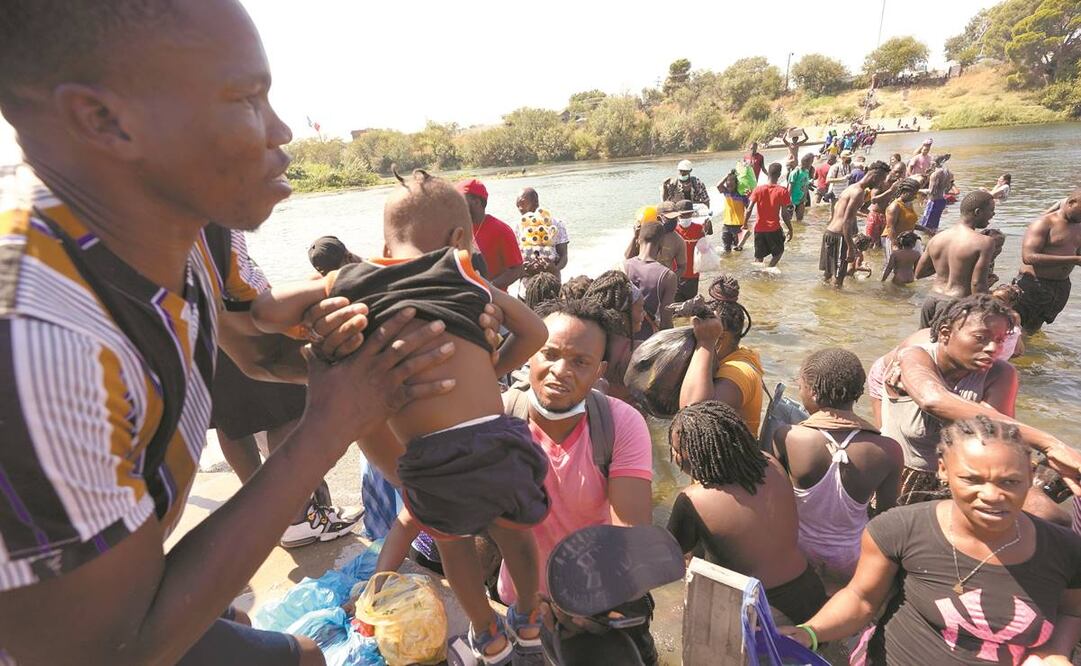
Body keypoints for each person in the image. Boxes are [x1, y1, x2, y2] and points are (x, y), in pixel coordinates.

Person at [0, 2, 507, 664]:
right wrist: (328, 425)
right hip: (75, 642)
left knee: (302, 654)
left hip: (121, 588)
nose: (282, 129)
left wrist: (386, 331)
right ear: (105, 120)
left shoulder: (199, 230)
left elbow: (261, 347)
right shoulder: (36, 339)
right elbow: (104, 653)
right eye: (248, 99)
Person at [252, 170, 551, 664]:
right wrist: (491, 363)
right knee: (516, 534)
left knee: (454, 549)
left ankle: (487, 634)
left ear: (383, 240)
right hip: (499, 441)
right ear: (459, 239)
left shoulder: (354, 282)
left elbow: (265, 313)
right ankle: (530, 616)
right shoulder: (461, 270)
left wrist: (323, 287)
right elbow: (535, 333)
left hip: (431, 460)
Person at [782, 417, 1081, 665]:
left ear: (1030, 476)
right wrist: (811, 632)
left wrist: (1053, 652)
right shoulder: (900, 529)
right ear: (943, 470)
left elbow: (1071, 610)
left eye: (1009, 482)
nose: (991, 496)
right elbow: (861, 598)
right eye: (972, 479)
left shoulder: (1066, 551)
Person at [500, 299, 657, 664]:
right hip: (521, 602)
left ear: (600, 369)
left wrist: (584, 602)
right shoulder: (502, 417)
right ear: (530, 356)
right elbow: (480, 519)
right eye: (549, 354)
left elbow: (629, 534)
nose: (560, 370)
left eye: (579, 362)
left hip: (596, 605)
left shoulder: (620, 424)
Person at [880, 295, 1081, 504]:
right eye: (981, 337)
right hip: (897, 478)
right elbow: (933, 399)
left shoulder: (1000, 373)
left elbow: (988, 436)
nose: (993, 349)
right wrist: (1050, 445)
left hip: (961, 480)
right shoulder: (914, 356)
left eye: (1000, 340)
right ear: (945, 334)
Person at [667, 402, 827, 624]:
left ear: (695, 453)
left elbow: (672, 554)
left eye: (677, 450)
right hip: (811, 592)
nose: (674, 457)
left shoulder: (693, 499)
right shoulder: (769, 463)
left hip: (760, 611)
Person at [772, 349, 903, 594]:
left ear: (811, 390)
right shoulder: (888, 450)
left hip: (798, 551)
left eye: (800, 384)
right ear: (858, 391)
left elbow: (775, 500)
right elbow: (886, 518)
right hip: (851, 558)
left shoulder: (789, 437)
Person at [210, 351, 358, 548]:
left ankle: (263, 510)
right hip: (234, 327)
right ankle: (298, 518)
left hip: (197, 330)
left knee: (228, 411)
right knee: (286, 408)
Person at [679, 299, 764, 436]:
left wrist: (705, 342)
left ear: (720, 336)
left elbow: (692, 418)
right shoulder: (737, 352)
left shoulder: (739, 372)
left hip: (733, 456)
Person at [915, 190, 998, 328]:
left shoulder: (938, 238)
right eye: (991, 210)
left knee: (926, 346)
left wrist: (946, 268)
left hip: (931, 300)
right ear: (977, 212)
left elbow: (919, 273)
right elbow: (977, 284)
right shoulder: (984, 242)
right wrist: (987, 314)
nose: (992, 214)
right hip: (956, 305)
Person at [1011, 187, 1081, 332]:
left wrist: (1076, 259)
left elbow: (1077, 252)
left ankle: (1031, 354)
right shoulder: (1044, 223)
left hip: (1060, 286)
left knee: (1033, 329)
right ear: (1072, 202)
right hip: (1033, 284)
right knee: (1013, 328)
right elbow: (1028, 257)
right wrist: (1074, 259)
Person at [820, 160, 890, 287]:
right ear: (875, 176)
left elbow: (838, 211)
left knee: (827, 275)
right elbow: (847, 221)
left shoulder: (851, 188)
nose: (881, 183)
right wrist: (851, 247)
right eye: (882, 179)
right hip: (840, 237)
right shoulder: (859, 193)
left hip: (830, 233)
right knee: (838, 280)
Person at [583, 271, 646, 403]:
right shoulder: (639, 351)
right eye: (640, 310)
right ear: (623, 314)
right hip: (626, 417)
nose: (644, 315)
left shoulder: (584, 341)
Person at [458, 179, 524, 291]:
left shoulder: (501, 230)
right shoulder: (457, 229)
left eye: (460, 200)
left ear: (477, 202)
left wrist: (488, 287)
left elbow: (517, 270)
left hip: (493, 300)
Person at [624, 217, 677, 338]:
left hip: (623, 340)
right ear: (662, 244)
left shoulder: (622, 268)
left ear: (638, 240)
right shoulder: (668, 277)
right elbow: (666, 321)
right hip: (648, 342)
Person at [742, 163, 794, 268]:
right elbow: (784, 214)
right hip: (774, 228)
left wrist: (744, 224)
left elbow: (749, 209)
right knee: (779, 252)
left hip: (759, 229)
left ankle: (758, 276)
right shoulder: (782, 191)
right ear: (779, 174)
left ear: (768, 174)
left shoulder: (758, 189)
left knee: (758, 257)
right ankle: (769, 268)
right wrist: (790, 229)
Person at [516, 187, 569, 284]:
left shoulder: (556, 224)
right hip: (526, 287)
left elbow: (564, 256)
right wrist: (524, 269)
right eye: (517, 205)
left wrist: (554, 269)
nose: (520, 208)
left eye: (522, 203)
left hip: (552, 285)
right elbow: (515, 259)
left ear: (536, 202)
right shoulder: (518, 226)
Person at [624, 203, 687, 278]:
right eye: (669, 218)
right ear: (659, 218)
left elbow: (682, 267)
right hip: (641, 278)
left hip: (662, 281)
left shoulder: (678, 240)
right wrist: (635, 237)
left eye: (675, 218)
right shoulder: (646, 234)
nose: (673, 221)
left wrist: (669, 280)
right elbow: (628, 257)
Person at [673, 199, 713, 301]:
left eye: (688, 215)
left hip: (692, 274)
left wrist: (705, 232)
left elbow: (704, 249)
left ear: (692, 214)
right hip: (676, 274)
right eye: (683, 215)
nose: (685, 218)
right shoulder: (673, 230)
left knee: (689, 304)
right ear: (677, 215)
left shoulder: (699, 228)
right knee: (676, 305)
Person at [883, 178, 932, 259]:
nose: (915, 196)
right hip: (894, 239)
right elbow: (890, 227)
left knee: (917, 261)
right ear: (904, 192)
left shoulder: (908, 204)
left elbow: (908, 223)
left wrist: (925, 229)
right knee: (895, 266)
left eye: (916, 193)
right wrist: (895, 245)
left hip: (908, 239)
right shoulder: (895, 206)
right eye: (913, 194)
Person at [917, 154, 954, 233]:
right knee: (934, 227)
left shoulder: (934, 175)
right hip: (942, 201)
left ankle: (927, 243)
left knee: (926, 228)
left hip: (934, 202)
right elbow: (948, 188)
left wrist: (918, 190)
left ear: (934, 163)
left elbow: (931, 191)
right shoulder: (947, 172)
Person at [716, 170, 749, 253]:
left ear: (736, 183)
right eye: (728, 180)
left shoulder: (742, 195)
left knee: (738, 250)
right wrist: (726, 175)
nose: (729, 182)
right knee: (726, 250)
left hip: (738, 226)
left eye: (732, 180)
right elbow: (718, 186)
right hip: (726, 225)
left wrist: (746, 224)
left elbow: (749, 209)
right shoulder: (726, 192)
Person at [787, 152, 814, 223]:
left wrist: (804, 197)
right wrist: (788, 200)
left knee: (800, 221)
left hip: (801, 200)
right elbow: (790, 187)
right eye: (811, 162)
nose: (811, 164)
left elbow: (805, 186)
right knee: (789, 220)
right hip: (792, 200)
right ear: (805, 162)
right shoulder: (795, 172)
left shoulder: (806, 172)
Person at [825, 151, 853, 215]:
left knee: (842, 214)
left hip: (844, 193)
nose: (850, 160)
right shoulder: (835, 167)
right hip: (835, 194)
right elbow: (828, 180)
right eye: (848, 158)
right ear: (843, 158)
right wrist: (842, 179)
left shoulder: (848, 166)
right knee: (833, 215)